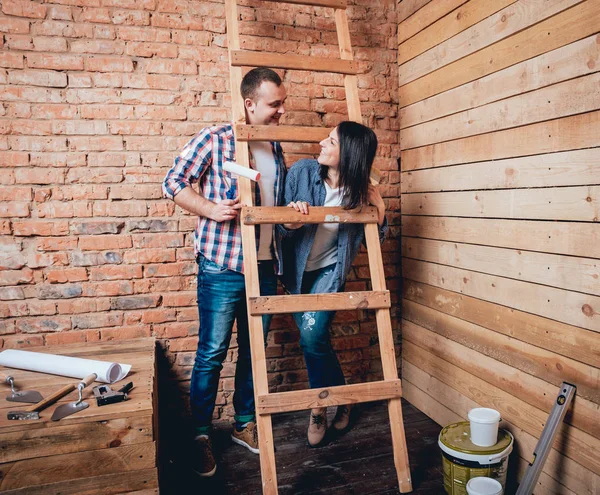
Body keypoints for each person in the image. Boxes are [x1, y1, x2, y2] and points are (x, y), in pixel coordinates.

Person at [162, 67, 287, 477]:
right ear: (250, 104)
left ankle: (244, 424)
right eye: (275, 104)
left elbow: (273, 205)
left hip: (265, 266)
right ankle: (200, 434)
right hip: (222, 266)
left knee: (254, 353)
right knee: (212, 352)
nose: (281, 111)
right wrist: (211, 209)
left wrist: (291, 219)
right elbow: (174, 182)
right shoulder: (215, 138)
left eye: (282, 103)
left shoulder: (275, 145)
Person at [279, 121, 387, 447]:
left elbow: (375, 238)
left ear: (349, 154)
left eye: (332, 141)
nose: (322, 142)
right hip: (296, 273)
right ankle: (343, 397)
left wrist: (379, 205)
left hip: (329, 272)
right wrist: (290, 219)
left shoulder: (360, 192)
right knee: (317, 342)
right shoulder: (301, 172)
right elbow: (281, 233)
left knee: (311, 338)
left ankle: (318, 407)